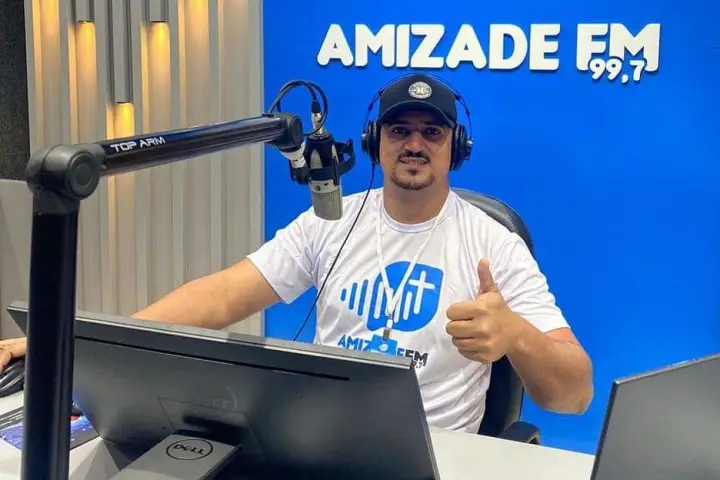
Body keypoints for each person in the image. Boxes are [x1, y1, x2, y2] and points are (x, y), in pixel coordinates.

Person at [0, 73, 593, 433]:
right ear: (375, 142)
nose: (414, 143)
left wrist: (515, 334)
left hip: (435, 454)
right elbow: (220, 296)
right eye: (399, 130)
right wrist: (72, 339)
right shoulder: (329, 222)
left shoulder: (492, 243)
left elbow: (575, 394)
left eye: (431, 132)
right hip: (322, 442)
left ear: (455, 147)